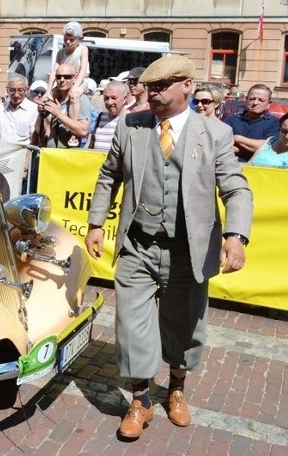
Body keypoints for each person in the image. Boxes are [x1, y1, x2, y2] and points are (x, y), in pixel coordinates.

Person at [84, 55, 252, 440]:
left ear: (187, 86)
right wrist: (96, 222)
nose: (153, 94)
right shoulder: (131, 126)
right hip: (138, 245)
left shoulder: (215, 134)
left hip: (187, 252)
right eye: (149, 87)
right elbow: (109, 175)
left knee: (184, 325)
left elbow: (236, 188)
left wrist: (235, 236)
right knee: (132, 326)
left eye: (162, 87)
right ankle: (140, 400)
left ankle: (176, 388)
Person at [34, 62, 91, 148]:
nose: (62, 80)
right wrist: (41, 112)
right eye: (58, 77)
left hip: (67, 156)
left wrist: (59, 114)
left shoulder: (81, 99)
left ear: (75, 78)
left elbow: (83, 131)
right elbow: (40, 130)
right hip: (50, 154)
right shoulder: (54, 98)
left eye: (67, 77)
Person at [224, 84, 280, 162]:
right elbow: (222, 146)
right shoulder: (231, 120)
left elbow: (268, 148)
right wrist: (253, 148)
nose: (255, 103)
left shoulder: (275, 123)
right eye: (252, 99)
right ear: (246, 100)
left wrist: (237, 138)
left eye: (261, 100)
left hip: (259, 169)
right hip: (231, 167)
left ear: (269, 104)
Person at [0, 74, 38, 145]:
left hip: (23, 152)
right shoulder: (0, 108)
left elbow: (34, 139)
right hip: (2, 152)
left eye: (20, 90)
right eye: (12, 90)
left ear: (26, 90)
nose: (16, 95)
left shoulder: (33, 109)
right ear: (7, 90)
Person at [87, 80, 129, 151]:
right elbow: (90, 142)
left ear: (124, 99)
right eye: (106, 98)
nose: (109, 102)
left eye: (113, 98)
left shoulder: (130, 120)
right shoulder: (100, 117)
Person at [50, 21, 89, 93]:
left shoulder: (83, 49)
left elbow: (83, 70)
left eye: (72, 40)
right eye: (65, 39)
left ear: (79, 39)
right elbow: (54, 72)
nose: (68, 42)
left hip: (80, 82)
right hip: (65, 81)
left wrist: (75, 87)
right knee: (52, 96)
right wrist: (48, 90)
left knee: (74, 95)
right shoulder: (61, 52)